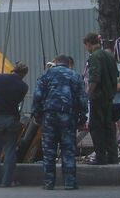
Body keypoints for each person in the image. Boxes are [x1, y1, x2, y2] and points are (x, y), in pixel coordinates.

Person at [32, 55, 87, 190]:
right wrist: (82, 117)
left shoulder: (46, 75)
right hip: (68, 117)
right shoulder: (75, 76)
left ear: (56, 62)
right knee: (68, 149)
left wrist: (37, 115)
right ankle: (69, 182)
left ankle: (49, 182)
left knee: (49, 150)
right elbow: (82, 99)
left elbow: (37, 96)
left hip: (49, 117)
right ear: (69, 63)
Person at [83, 33, 119, 164]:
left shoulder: (95, 57)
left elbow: (94, 79)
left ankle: (100, 157)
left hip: (98, 97)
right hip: (109, 97)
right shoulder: (109, 56)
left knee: (96, 127)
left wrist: (88, 96)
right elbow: (116, 75)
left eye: (86, 46)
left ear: (88, 44)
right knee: (108, 127)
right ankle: (113, 157)